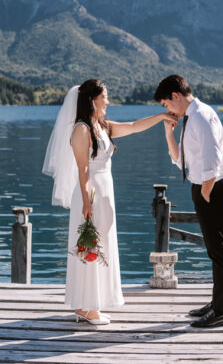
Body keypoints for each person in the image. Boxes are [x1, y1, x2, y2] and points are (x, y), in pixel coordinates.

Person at [43, 79, 176, 325]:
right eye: (105, 96)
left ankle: (90, 305)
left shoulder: (101, 125)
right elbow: (83, 171)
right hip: (91, 193)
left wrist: (161, 117)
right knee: (90, 247)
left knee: (102, 246)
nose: (108, 101)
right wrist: (86, 203)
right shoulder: (81, 129)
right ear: (93, 99)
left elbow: (134, 126)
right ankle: (86, 307)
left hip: (105, 192)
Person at [154, 75, 223, 328]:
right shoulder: (191, 117)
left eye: (166, 104)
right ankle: (217, 303)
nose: (166, 109)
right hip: (205, 186)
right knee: (214, 250)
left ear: (176, 96)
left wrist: (205, 192)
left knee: (219, 251)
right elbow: (181, 161)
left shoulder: (200, 116)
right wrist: (169, 133)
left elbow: (212, 158)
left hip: (213, 188)